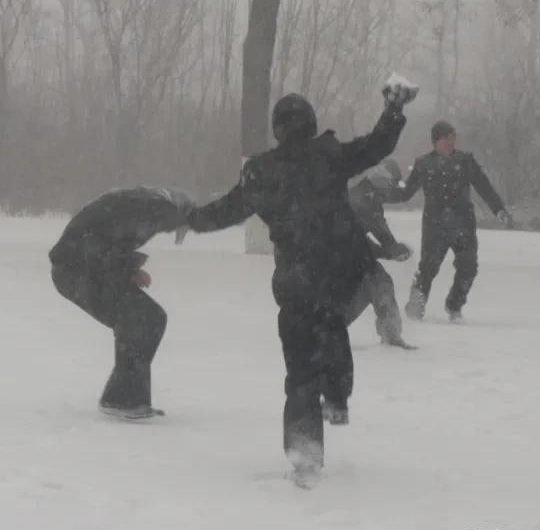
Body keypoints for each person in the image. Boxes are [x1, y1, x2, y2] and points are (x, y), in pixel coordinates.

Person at [187, 79, 416, 486]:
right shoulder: (329, 156)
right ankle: (337, 398)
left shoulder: (261, 172)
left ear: (277, 129)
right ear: (310, 123)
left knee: (299, 369)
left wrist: (189, 219)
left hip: (295, 281)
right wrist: (393, 111)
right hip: (336, 274)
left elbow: (226, 210)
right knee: (333, 337)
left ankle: (305, 450)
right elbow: (376, 146)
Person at [49, 186, 194, 420]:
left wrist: (129, 269)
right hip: (75, 271)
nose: (172, 230)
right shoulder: (149, 208)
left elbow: (107, 240)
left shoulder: (138, 205)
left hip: (85, 269)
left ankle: (128, 398)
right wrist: (129, 270)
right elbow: (96, 245)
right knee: (140, 317)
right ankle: (121, 400)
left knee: (150, 317)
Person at [387, 120, 512, 323]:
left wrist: (499, 210)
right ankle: (415, 306)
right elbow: (405, 193)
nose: (451, 142)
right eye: (446, 138)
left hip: (463, 225)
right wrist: (380, 192)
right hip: (434, 226)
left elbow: (484, 187)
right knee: (428, 268)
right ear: (436, 141)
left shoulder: (466, 161)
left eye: (453, 138)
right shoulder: (423, 164)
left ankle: (454, 305)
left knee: (468, 267)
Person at [343, 158, 416, 350]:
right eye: (392, 183)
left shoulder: (372, 197)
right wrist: (389, 251)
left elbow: (380, 229)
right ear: (381, 177)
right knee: (376, 282)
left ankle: (390, 332)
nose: (392, 189)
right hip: (338, 256)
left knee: (376, 283)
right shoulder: (358, 197)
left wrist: (393, 248)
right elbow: (356, 241)